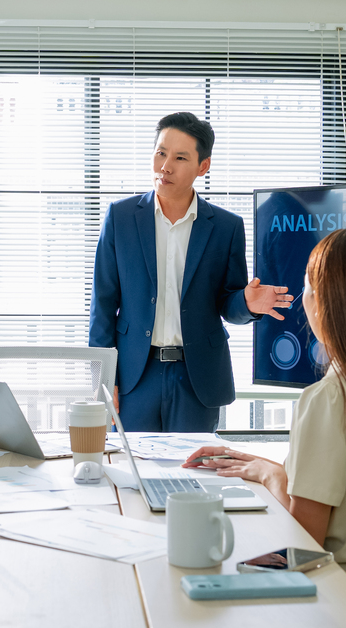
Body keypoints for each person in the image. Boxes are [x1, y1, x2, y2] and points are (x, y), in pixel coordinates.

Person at [182, 228, 346, 591]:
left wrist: (273, 479)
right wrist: (263, 465)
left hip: (339, 594)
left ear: (326, 303)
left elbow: (305, 540)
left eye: (307, 288)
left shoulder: (327, 399)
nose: (303, 299)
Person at [89, 111, 292, 432]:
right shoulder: (121, 217)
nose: (165, 166)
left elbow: (228, 304)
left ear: (203, 166)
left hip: (197, 378)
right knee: (131, 472)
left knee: (191, 475)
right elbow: (102, 305)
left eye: (180, 157)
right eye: (160, 153)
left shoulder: (226, 227)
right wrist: (102, 377)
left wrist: (248, 304)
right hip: (133, 376)